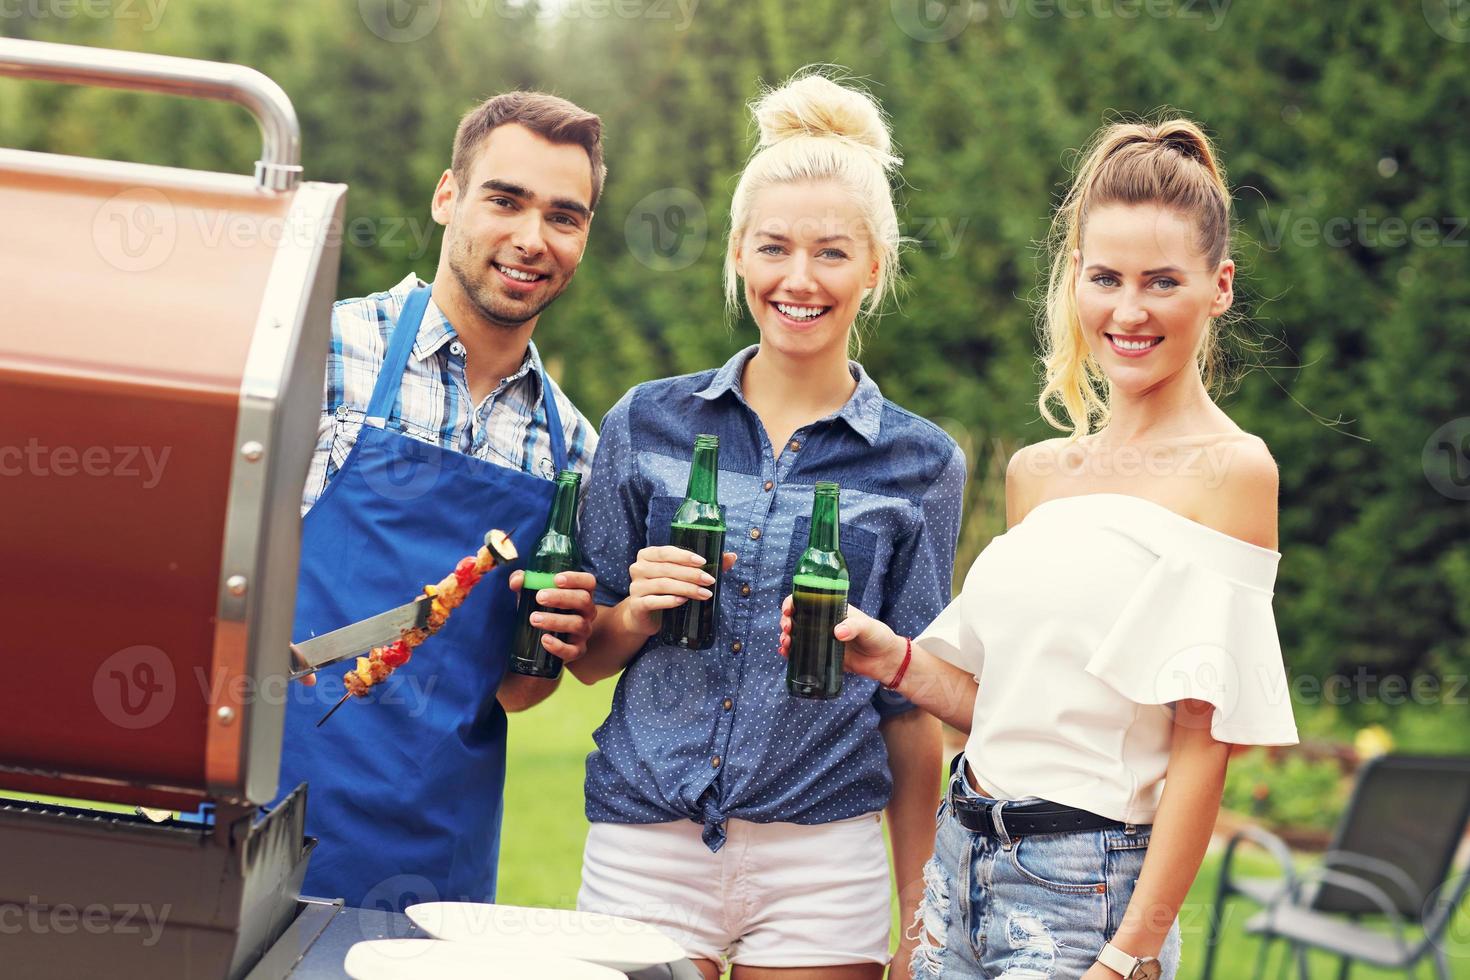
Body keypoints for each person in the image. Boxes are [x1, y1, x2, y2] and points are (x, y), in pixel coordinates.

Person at [782, 117, 1300, 979]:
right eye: (1105, 278)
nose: (1127, 312)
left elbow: (1203, 747)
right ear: (1075, 283)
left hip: (1085, 892)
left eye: (1162, 282)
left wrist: (1128, 956)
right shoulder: (1037, 473)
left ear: (1220, 287)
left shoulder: (1232, 472)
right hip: (959, 863)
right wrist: (899, 661)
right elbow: (1014, 707)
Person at [569, 71, 966, 980]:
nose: (799, 279)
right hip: (645, 847)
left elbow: (910, 711)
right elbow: (584, 654)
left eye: (831, 252)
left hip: (824, 865)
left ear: (875, 264)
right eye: (774, 247)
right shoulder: (648, 424)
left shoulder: (921, 463)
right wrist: (633, 613)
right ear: (739, 253)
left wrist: (919, 921)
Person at [278, 91, 604, 911]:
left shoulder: (573, 452)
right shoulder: (318, 355)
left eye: (564, 217)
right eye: (505, 200)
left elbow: (518, 691)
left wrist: (562, 638)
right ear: (447, 196)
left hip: (437, 871)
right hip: (262, 824)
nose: (532, 239)